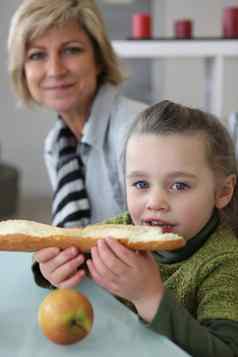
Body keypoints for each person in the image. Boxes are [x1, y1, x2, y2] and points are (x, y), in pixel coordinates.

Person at [34, 100, 238, 356]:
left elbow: (225, 351)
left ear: (223, 192)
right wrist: (51, 269)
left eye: (179, 186)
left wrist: (149, 297)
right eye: (141, 184)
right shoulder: (122, 230)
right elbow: (69, 249)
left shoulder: (225, 262)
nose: (155, 203)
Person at [8, 0, 147, 229]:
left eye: (71, 50)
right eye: (36, 55)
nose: (55, 70)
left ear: (99, 59)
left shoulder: (138, 132)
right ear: (23, 71)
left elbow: (166, 243)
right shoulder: (56, 144)